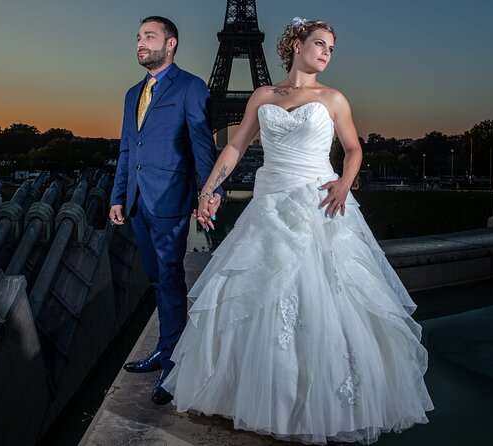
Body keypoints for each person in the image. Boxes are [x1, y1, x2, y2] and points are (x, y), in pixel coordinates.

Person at [163, 17, 433, 445]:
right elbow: (234, 145)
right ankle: (263, 398)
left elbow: (354, 148)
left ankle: (317, 404)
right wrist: (209, 189)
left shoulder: (334, 98)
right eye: (320, 43)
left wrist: (346, 181)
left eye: (331, 48)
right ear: (295, 44)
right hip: (269, 205)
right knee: (261, 299)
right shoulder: (263, 95)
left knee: (323, 302)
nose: (326, 53)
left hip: (317, 204)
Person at [108, 16, 221, 405]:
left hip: (171, 199)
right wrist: (117, 196)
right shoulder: (130, 94)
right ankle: (164, 349)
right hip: (139, 200)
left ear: (170, 44)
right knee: (157, 279)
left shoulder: (190, 87)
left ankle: (175, 362)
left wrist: (210, 191)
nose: (140, 43)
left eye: (149, 37)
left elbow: (202, 145)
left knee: (170, 278)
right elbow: (127, 149)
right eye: (138, 36)